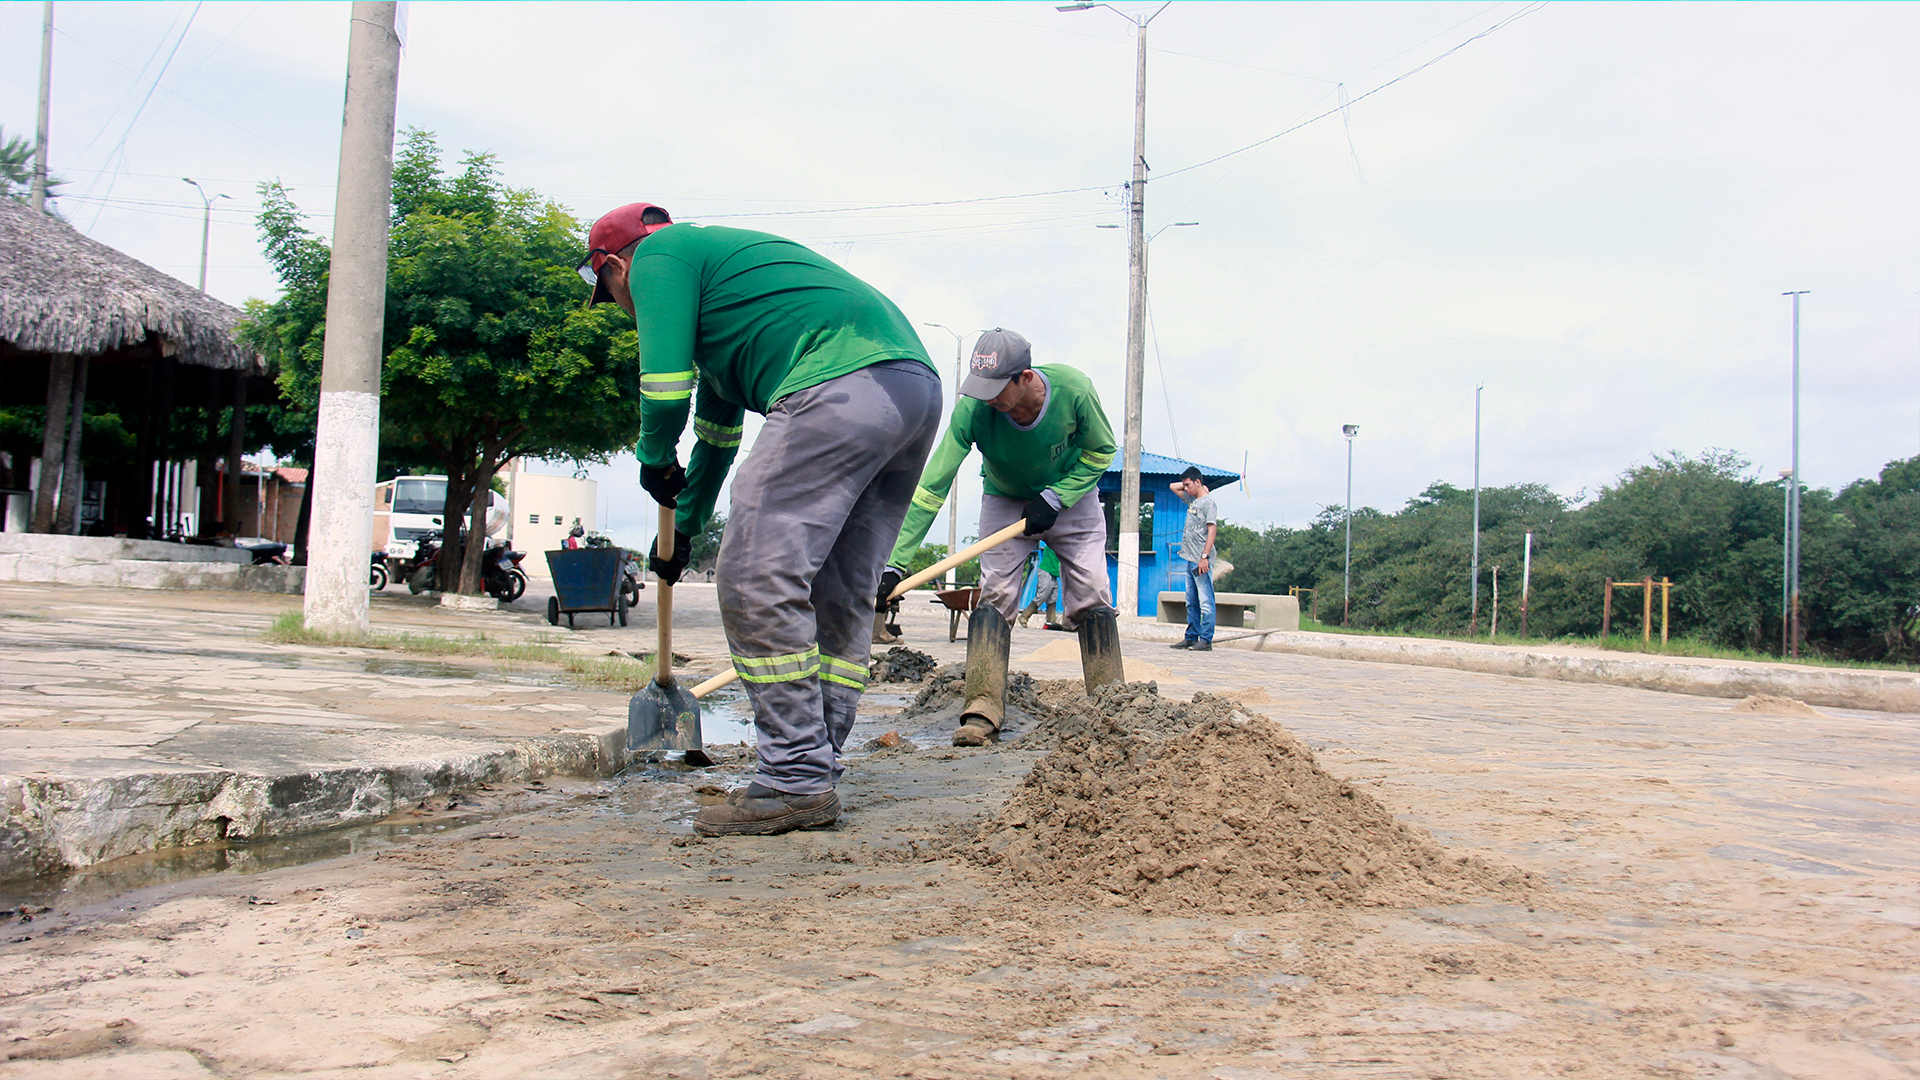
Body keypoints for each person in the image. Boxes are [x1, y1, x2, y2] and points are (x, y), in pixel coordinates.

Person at [581, 202, 942, 836]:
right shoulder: (730, 315)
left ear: (614, 265)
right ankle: (816, 763)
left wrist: (651, 454)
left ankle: (794, 778)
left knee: (753, 577)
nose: (620, 305)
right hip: (909, 390)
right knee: (838, 588)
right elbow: (715, 441)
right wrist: (685, 524)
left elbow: (662, 388)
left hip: (838, 384)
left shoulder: (660, 257)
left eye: (608, 293)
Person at [880, 328, 1118, 745]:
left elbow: (1102, 450)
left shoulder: (1074, 390)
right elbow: (932, 486)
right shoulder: (974, 410)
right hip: (1005, 498)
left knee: (1092, 591)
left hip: (1072, 497)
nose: (988, 397)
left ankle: (1112, 702)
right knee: (996, 593)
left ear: (1025, 377)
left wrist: (1059, 496)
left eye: (996, 388)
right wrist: (894, 562)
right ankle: (982, 708)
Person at [1169, 466, 1219, 651]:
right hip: (1189, 557)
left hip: (1201, 559)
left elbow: (1212, 531)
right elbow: (1173, 486)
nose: (1185, 488)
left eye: (1188, 485)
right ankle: (1191, 636)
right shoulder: (1192, 500)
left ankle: (1206, 639)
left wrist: (1204, 557)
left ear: (1198, 482)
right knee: (1191, 601)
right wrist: (1189, 486)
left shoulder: (1208, 504)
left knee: (1206, 600)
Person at [1016, 542, 1059, 628]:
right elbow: (1057, 565)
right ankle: (1024, 616)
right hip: (1046, 571)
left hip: (1052, 572)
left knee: (1053, 596)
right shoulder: (1054, 546)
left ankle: (1051, 621)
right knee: (1043, 594)